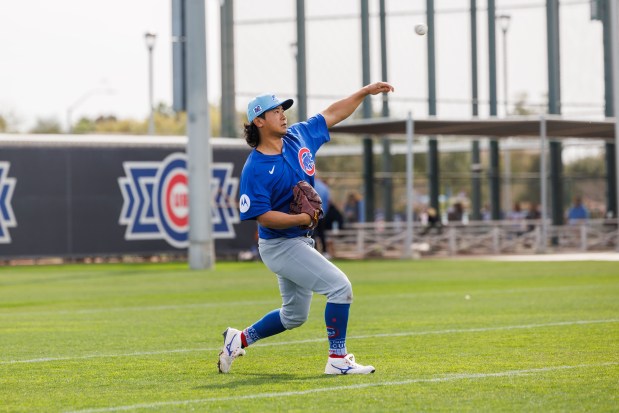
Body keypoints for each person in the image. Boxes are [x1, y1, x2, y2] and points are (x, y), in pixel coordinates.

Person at [218, 81, 395, 375]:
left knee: (294, 316)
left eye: (283, 109)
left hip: (301, 241)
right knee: (340, 288)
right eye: (275, 111)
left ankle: (239, 338)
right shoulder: (256, 168)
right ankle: (337, 360)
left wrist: (363, 93)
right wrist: (301, 219)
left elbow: (332, 113)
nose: (283, 114)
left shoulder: (298, 137)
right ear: (259, 121)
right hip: (279, 245)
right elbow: (262, 216)